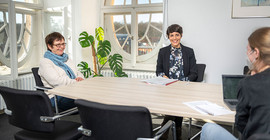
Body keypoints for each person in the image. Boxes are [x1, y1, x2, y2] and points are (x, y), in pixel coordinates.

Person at [200, 27, 270, 140]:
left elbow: (241, 125)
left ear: (256, 52)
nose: (247, 54)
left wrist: (253, 79)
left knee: (208, 128)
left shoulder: (249, 83)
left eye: (248, 50)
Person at [156, 24, 198, 140]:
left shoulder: (189, 52)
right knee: (175, 108)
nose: (174, 38)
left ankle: (164, 131)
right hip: (167, 88)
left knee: (173, 108)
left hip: (184, 88)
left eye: (177, 35)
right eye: (171, 35)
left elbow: (194, 73)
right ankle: (177, 132)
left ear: (181, 35)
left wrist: (179, 83)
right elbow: (158, 71)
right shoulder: (163, 52)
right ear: (168, 37)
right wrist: (166, 79)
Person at [39, 32, 84, 111]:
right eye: (58, 45)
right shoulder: (45, 62)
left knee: (91, 97)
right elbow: (57, 81)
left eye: (63, 44)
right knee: (89, 99)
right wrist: (76, 82)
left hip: (73, 91)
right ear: (49, 46)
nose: (62, 47)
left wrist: (80, 77)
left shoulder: (67, 59)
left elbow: (77, 72)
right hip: (56, 97)